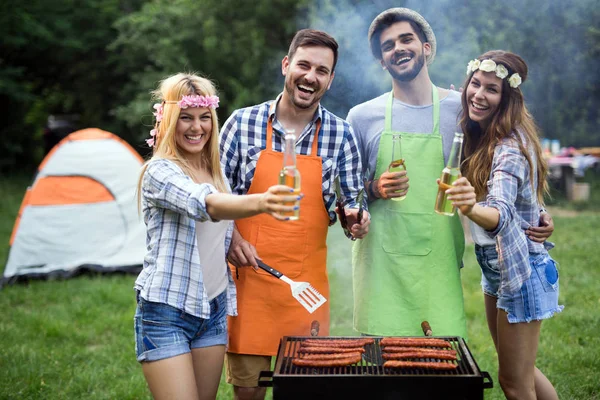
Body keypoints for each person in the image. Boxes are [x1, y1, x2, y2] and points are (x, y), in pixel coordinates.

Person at [346, 8, 554, 338]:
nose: (398, 48)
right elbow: (347, 191)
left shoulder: (464, 108)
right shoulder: (361, 117)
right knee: (382, 375)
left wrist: (537, 212)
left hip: (437, 266)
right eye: (387, 46)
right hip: (379, 270)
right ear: (381, 62)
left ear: (427, 47)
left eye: (406, 39)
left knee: (440, 373)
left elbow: (501, 161)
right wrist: (372, 188)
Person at [220, 29, 370, 400]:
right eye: (303, 65)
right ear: (286, 65)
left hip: (305, 286)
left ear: (330, 80)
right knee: (249, 393)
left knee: (303, 392)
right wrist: (231, 238)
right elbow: (214, 198)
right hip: (248, 281)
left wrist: (356, 219)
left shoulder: (341, 134)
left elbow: (354, 201)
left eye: (322, 70)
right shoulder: (241, 124)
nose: (310, 76)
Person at [133, 73, 301, 400]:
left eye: (204, 117)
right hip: (167, 311)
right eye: (185, 117)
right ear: (167, 120)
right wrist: (264, 201)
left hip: (212, 308)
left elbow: (219, 208)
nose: (197, 127)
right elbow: (204, 203)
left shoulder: (215, 170)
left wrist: (235, 237)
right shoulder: (160, 171)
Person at [446, 51, 563, 400]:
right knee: (520, 375)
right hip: (499, 266)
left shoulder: (509, 146)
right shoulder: (482, 130)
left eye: (491, 89)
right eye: (475, 85)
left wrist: (470, 207)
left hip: (521, 268)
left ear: (507, 98)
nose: (479, 95)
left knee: (514, 384)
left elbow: (502, 210)